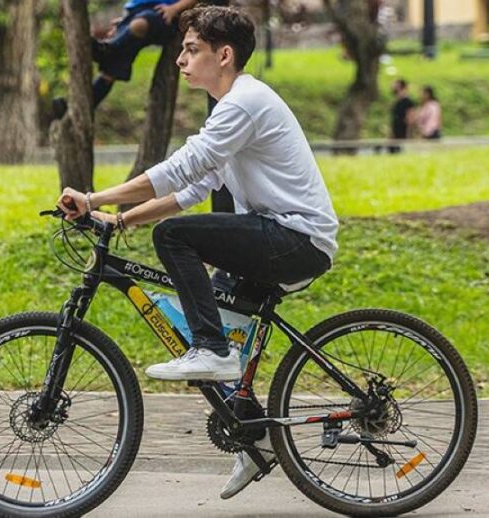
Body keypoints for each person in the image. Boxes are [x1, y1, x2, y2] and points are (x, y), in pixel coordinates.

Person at [56, 5, 338, 499]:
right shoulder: (232, 106)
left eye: (191, 50)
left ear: (223, 55)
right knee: (210, 315)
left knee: (174, 237)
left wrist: (94, 198)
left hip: (296, 238)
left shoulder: (243, 103)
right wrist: (119, 221)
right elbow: (192, 189)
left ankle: (212, 351)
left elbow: (180, 169)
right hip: (280, 235)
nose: (180, 60)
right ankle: (255, 439)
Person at [53, 0, 210, 118]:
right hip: (135, 14)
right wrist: (124, 21)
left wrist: (174, 8)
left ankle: (107, 49)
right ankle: (75, 109)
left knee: (138, 25)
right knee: (111, 70)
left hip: (164, 14)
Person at [389, 78, 415, 153]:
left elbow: (410, 118)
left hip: (403, 132)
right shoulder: (396, 102)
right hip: (395, 132)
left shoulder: (408, 102)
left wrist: (409, 134)